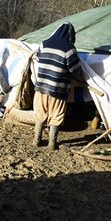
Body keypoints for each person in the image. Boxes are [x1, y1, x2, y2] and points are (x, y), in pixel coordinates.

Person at [32, 22, 84, 150]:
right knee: (56, 115)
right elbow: (75, 70)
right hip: (58, 90)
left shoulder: (43, 44)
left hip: (41, 87)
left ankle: (36, 140)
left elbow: (38, 58)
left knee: (40, 112)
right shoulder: (69, 49)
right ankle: (51, 143)